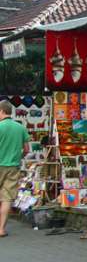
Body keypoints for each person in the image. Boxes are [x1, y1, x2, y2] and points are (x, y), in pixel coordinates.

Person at [0, 100, 29, 237]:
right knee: (7, 198)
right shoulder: (20, 128)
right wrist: (18, 156)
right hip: (13, 166)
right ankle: (1, 229)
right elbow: (27, 150)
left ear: (1, 111)